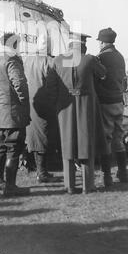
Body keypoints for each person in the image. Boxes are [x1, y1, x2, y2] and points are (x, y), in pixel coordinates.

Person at [47, 33, 108, 194]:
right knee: (86, 143)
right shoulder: (89, 59)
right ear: (83, 45)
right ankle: (88, 186)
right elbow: (103, 74)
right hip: (86, 105)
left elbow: (51, 87)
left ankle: (69, 186)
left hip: (64, 107)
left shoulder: (58, 60)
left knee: (67, 144)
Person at [0, 32, 31, 196]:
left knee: (0, 148)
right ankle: (10, 187)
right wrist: (24, 102)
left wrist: (0, 100)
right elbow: (19, 84)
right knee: (13, 149)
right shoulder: (11, 60)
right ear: (14, 45)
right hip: (13, 114)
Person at [95, 27, 128, 184]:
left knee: (106, 139)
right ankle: (123, 173)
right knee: (118, 138)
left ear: (102, 42)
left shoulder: (100, 57)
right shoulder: (120, 56)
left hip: (105, 103)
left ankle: (106, 176)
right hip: (118, 101)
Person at [23, 35, 55, 183]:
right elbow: (53, 86)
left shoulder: (26, 60)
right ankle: (42, 172)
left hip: (28, 104)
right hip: (44, 105)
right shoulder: (49, 61)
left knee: (32, 136)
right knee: (43, 137)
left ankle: (33, 167)